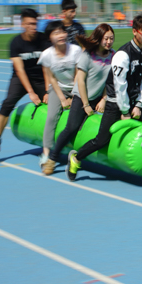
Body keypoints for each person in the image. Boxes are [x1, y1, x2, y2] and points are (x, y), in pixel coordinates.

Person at [69, 13, 142, 180]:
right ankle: (76, 158)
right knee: (101, 140)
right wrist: (125, 111)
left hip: (135, 101)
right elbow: (120, 87)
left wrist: (139, 104)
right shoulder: (122, 55)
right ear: (135, 31)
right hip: (116, 102)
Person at [41, 24, 114, 176]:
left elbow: (110, 81)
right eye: (106, 38)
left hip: (99, 97)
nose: (109, 42)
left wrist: (104, 99)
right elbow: (80, 81)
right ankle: (52, 159)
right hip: (82, 96)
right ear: (99, 38)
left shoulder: (113, 56)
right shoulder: (88, 55)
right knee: (71, 127)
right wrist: (86, 105)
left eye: (111, 39)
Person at [0, 8, 50, 155]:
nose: (33, 27)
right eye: (30, 24)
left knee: (53, 102)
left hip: (41, 77)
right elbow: (20, 70)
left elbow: (47, 67)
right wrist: (31, 92)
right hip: (21, 78)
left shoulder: (44, 40)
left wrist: (48, 90)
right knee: (8, 102)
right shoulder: (15, 43)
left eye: (35, 23)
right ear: (23, 24)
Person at [37, 21, 82, 173]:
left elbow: (78, 74)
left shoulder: (75, 50)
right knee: (51, 117)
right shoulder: (46, 55)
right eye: (56, 33)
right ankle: (46, 153)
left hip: (77, 87)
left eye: (62, 31)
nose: (61, 35)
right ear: (50, 37)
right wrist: (62, 99)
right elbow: (51, 78)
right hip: (58, 89)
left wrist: (74, 95)